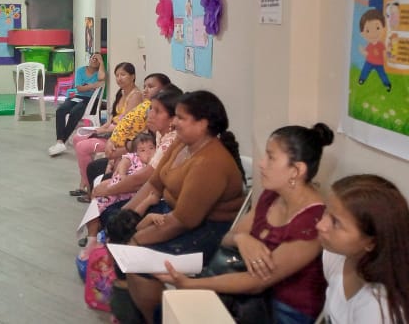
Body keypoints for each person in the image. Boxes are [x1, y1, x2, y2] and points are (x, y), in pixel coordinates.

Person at [156, 122, 334, 324]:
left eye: (271, 157)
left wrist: (190, 284)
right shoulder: (271, 196)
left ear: (296, 170)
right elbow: (228, 239)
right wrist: (243, 239)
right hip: (247, 298)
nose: (261, 163)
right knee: (171, 310)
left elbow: (257, 282)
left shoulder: (313, 222)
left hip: (284, 310)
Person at [125, 90, 246, 324]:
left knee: (138, 262)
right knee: (122, 230)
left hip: (208, 231)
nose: (174, 123)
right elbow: (155, 182)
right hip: (171, 216)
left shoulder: (210, 162)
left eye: (181, 118)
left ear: (203, 124)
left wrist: (137, 239)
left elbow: (183, 221)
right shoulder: (182, 142)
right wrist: (128, 214)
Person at [317, 174, 409, 324]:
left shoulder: (376, 308)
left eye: (336, 222)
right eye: (326, 211)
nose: (320, 225)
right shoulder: (336, 255)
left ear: (371, 242)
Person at [78, 73, 173, 198]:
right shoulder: (126, 96)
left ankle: (97, 198)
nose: (145, 90)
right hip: (123, 148)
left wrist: (119, 157)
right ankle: (91, 194)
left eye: (150, 87)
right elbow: (119, 122)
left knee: (86, 151)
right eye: (117, 75)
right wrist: (111, 140)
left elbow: (142, 147)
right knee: (93, 166)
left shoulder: (140, 101)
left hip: (133, 156)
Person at [80, 133, 156, 259]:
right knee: (96, 207)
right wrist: (122, 175)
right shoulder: (133, 158)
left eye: (151, 148)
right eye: (142, 150)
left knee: (116, 214)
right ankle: (91, 239)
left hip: (131, 195)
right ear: (136, 152)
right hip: (118, 189)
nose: (148, 152)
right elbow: (123, 164)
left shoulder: (153, 165)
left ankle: (104, 239)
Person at [73, 62, 143, 199]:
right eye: (117, 75)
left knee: (82, 147)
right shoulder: (121, 93)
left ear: (133, 76)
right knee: (77, 138)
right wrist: (102, 128)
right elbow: (113, 118)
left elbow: (125, 124)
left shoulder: (135, 96)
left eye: (123, 75)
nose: (119, 78)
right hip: (111, 131)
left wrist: (102, 131)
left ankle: (90, 189)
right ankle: (85, 181)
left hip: (121, 138)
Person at [48, 52, 106, 156]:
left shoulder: (99, 73)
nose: (94, 60)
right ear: (89, 59)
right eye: (93, 58)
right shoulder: (80, 71)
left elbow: (102, 78)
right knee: (60, 110)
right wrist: (92, 86)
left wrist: (101, 62)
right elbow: (79, 88)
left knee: (75, 112)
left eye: (97, 59)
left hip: (90, 101)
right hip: (78, 97)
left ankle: (61, 142)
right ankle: (60, 142)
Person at [357, 9, 392, 92]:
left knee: (382, 74)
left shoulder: (381, 45)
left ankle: (387, 84)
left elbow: (384, 53)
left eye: (377, 28)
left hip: (379, 63)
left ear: (383, 28)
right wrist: (362, 51)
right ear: (363, 33)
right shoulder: (369, 45)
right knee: (365, 70)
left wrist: (388, 53)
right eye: (368, 30)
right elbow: (366, 53)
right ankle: (362, 79)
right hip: (369, 62)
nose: (373, 33)